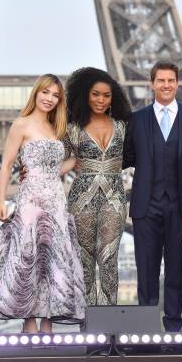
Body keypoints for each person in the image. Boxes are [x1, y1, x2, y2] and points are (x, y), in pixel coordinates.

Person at [0, 74, 86, 333]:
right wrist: (1, 200)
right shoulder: (21, 125)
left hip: (56, 201)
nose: (49, 98)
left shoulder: (58, 128)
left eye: (55, 95)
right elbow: (6, 165)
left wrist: (73, 162)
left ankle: (47, 322)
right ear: (36, 93)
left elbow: (53, 169)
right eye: (45, 92)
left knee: (52, 261)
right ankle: (29, 322)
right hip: (30, 200)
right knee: (29, 259)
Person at [122, 61, 182, 331]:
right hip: (146, 204)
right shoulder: (136, 118)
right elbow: (126, 157)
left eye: (171, 81)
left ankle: (174, 325)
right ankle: (146, 326)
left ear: (177, 84)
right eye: (161, 81)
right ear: (152, 83)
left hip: (181, 204)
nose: (166, 85)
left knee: (176, 268)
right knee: (146, 269)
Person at [63, 67, 132, 305]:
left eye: (106, 95)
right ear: (85, 95)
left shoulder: (123, 126)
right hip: (82, 198)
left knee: (109, 257)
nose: (101, 100)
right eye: (96, 94)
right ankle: (88, 323)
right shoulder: (71, 128)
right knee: (84, 260)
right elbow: (53, 158)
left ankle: (109, 319)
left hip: (115, 197)